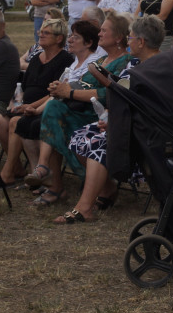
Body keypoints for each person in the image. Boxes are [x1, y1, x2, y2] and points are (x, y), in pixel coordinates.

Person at [52, 15, 163, 224]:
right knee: (79, 137)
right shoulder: (138, 64)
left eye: (131, 38)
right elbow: (125, 96)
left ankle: (84, 208)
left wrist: (118, 122)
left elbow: (149, 106)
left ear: (141, 42)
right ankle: (107, 188)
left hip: (147, 128)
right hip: (127, 121)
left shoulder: (156, 68)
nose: (129, 42)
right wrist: (114, 116)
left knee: (97, 143)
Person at [22, 15, 133, 206]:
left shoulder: (125, 61)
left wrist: (70, 93)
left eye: (104, 31)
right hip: (81, 110)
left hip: (100, 116)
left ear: (118, 37)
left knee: (53, 115)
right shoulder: (104, 59)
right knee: (53, 110)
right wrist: (62, 90)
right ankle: (45, 171)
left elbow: (111, 93)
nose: (100, 33)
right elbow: (81, 85)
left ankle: (49, 174)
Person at [0, 17, 74, 191]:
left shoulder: (64, 60)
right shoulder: (35, 60)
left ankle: (9, 173)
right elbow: (24, 87)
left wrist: (31, 106)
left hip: (45, 107)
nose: (41, 35)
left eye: (46, 33)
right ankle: (20, 168)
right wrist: (16, 103)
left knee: (15, 122)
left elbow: (54, 93)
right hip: (26, 105)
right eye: (41, 32)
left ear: (59, 38)